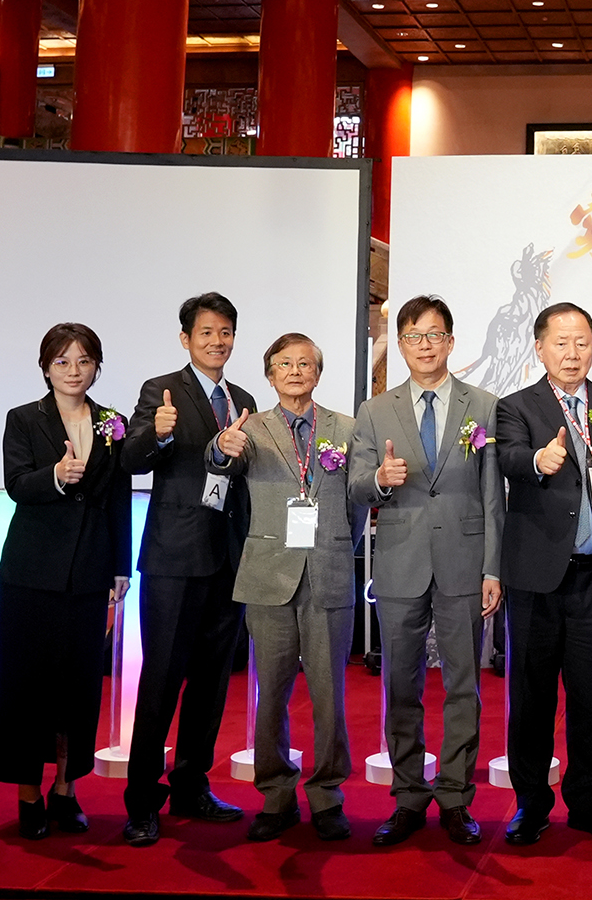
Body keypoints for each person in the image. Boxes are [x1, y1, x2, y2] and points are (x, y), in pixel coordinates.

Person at [493, 302, 592, 846]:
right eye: (560, 342)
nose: (572, 352)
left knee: (591, 695)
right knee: (531, 697)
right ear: (539, 348)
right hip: (535, 578)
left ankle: (587, 799)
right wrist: (540, 461)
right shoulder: (515, 406)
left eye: (581, 342)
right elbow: (509, 458)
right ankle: (531, 803)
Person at [352, 295, 503, 848]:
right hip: (400, 562)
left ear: (450, 342)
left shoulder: (483, 405)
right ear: (401, 343)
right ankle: (409, 796)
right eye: (413, 336)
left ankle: (457, 798)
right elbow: (355, 484)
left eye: (434, 335)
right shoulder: (375, 410)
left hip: (465, 563)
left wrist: (493, 566)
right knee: (401, 684)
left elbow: (493, 494)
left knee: (464, 685)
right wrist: (381, 479)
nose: (424, 345)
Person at [118, 292, 260, 846]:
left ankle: (192, 785)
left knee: (210, 683)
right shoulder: (162, 391)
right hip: (175, 560)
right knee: (160, 682)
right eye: (206, 333)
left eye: (225, 332)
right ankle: (141, 802)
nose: (217, 341)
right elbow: (132, 460)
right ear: (186, 339)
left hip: (228, 560)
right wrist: (160, 432)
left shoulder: (243, 397)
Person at [206, 332, 358, 844]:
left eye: (306, 364)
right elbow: (222, 466)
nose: (296, 371)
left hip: (329, 573)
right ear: (270, 376)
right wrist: (219, 448)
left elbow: (359, 498)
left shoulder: (346, 429)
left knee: (329, 695)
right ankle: (275, 795)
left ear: (318, 373)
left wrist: (338, 538)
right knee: (269, 695)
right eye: (284, 364)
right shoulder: (251, 429)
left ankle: (328, 795)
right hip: (268, 575)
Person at [0, 323, 132, 839]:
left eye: (84, 361)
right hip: (30, 574)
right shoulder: (24, 419)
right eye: (63, 361)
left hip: (90, 573)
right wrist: (55, 476)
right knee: (25, 689)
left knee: (77, 688)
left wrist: (121, 565)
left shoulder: (113, 423)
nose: (74, 371)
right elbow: (16, 483)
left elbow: (118, 497)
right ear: (46, 367)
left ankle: (67, 790)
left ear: (96, 366)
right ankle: (28, 794)